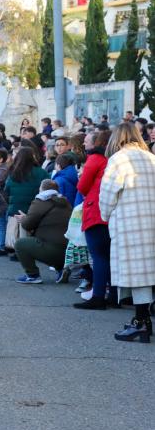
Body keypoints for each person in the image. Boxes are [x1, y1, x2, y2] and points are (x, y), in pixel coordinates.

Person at [99, 124, 155, 342]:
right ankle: (143, 321)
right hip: (151, 220)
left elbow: (107, 194)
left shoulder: (119, 159)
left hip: (130, 222)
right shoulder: (151, 158)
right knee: (149, 272)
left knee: (138, 275)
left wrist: (105, 215)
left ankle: (141, 322)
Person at [73, 129, 113, 310]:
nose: (83, 143)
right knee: (109, 256)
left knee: (99, 256)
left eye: (87, 140)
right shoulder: (108, 159)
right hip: (108, 212)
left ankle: (98, 296)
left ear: (96, 143)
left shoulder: (95, 160)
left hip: (95, 211)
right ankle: (113, 295)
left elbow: (82, 186)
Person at [13, 179, 72, 284]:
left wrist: (24, 219)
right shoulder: (66, 202)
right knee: (53, 243)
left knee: (20, 244)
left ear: (42, 189)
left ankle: (33, 275)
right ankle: (62, 269)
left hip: (50, 249)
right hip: (68, 251)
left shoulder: (40, 201)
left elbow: (27, 225)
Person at [3, 146, 48, 257]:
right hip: (35, 207)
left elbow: (6, 190)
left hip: (15, 207)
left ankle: (19, 252)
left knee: (17, 231)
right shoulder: (41, 172)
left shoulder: (13, 172)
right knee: (29, 231)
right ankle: (29, 252)